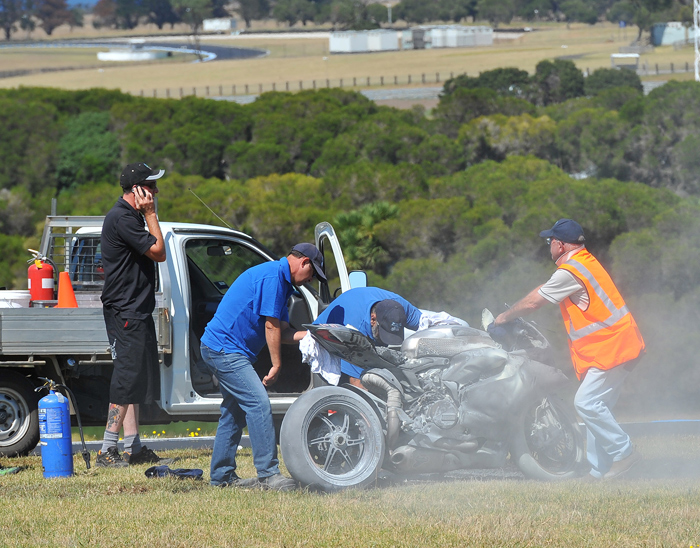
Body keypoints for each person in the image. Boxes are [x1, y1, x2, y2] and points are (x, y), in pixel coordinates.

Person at [492, 218, 645, 480]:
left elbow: (534, 301)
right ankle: (599, 470)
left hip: (613, 348)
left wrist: (503, 318)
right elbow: (545, 292)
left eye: (549, 241)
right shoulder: (585, 263)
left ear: (560, 245)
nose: (548, 246)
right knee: (597, 407)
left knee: (586, 403)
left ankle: (625, 454)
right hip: (617, 346)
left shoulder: (571, 271)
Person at [200, 243, 326, 490]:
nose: (310, 279)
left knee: (233, 412)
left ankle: (221, 477)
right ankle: (268, 475)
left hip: (223, 349)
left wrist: (312, 335)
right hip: (223, 350)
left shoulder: (281, 282)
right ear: (304, 263)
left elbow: (284, 331)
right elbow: (271, 327)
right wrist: (276, 365)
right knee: (258, 403)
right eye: (312, 273)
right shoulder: (273, 278)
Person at [96, 162, 169, 468]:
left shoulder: (129, 217)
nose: (155, 191)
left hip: (134, 308)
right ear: (137, 190)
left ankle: (133, 447)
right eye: (151, 186)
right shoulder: (123, 218)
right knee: (126, 377)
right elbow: (159, 251)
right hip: (125, 310)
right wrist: (151, 214)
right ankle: (107, 450)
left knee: (136, 376)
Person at [312, 287, 423, 387]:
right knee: (347, 391)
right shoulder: (355, 330)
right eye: (384, 333)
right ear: (373, 319)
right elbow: (356, 382)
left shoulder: (401, 308)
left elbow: (428, 324)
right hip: (326, 344)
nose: (387, 340)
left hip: (361, 315)